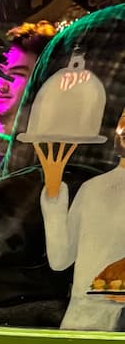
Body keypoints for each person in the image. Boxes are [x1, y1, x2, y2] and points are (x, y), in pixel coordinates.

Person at [36, 106, 125, 331]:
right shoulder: (92, 189)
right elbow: (60, 259)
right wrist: (54, 192)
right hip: (84, 317)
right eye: (123, 118)